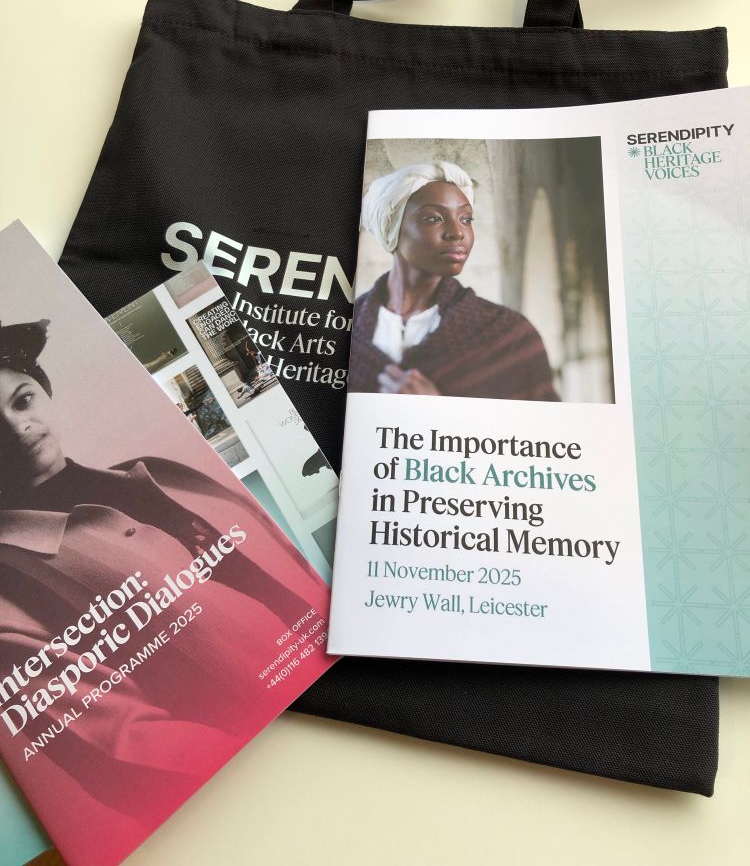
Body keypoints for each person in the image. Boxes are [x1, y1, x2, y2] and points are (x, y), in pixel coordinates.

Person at [0, 318, 330, 838]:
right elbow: (122, 748)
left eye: (23, 401)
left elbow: (286, 570)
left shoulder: (159, 472)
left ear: (47, 394)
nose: (15, 426)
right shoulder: (10, 587)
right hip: (281, 781)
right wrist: (279, 769)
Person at [348, 162, 559, 401]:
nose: (457, 232)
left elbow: (542, 429)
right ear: (392, 229)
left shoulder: (509, 335)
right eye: (433, 218)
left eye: (466, 219)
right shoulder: (346, 329)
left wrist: (438, 413)